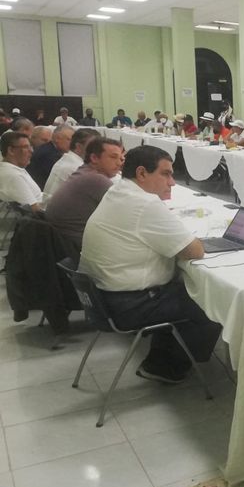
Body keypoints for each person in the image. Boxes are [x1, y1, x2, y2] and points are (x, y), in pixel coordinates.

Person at [79, 145, 222, 383]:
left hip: (103, 298)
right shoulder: (144, 204)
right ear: (142, 173)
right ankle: (167, 367)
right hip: (128, 305)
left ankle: (162, 357)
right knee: (210, 299)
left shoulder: (118, 191)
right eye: (165, 174)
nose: (173, 182)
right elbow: (194, 251)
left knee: (182, 287)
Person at [45, 137, 124, 248]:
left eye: (121, 158)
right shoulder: (96, 180)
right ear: (94, 158)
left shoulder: (84, 171)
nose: (119, 163)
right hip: (73, 246)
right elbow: (125, 214)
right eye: (113, 157)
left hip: (60, 242)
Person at [43, 128, 101, 203]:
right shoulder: (76, 167)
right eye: (94, 146)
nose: (98, 151)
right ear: (79, 146)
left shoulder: (68, 160)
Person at [0, 131, 42, 212]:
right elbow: (34, 210)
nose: (31, 150)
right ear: (11, 150)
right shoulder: (13, 176)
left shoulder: (14, 169)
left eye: (31, 146)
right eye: (26, 147)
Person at [28, 125, 73, 189]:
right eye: (69, 139)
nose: (72, 144)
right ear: (57, 138)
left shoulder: (50, 150)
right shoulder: (48, 155)